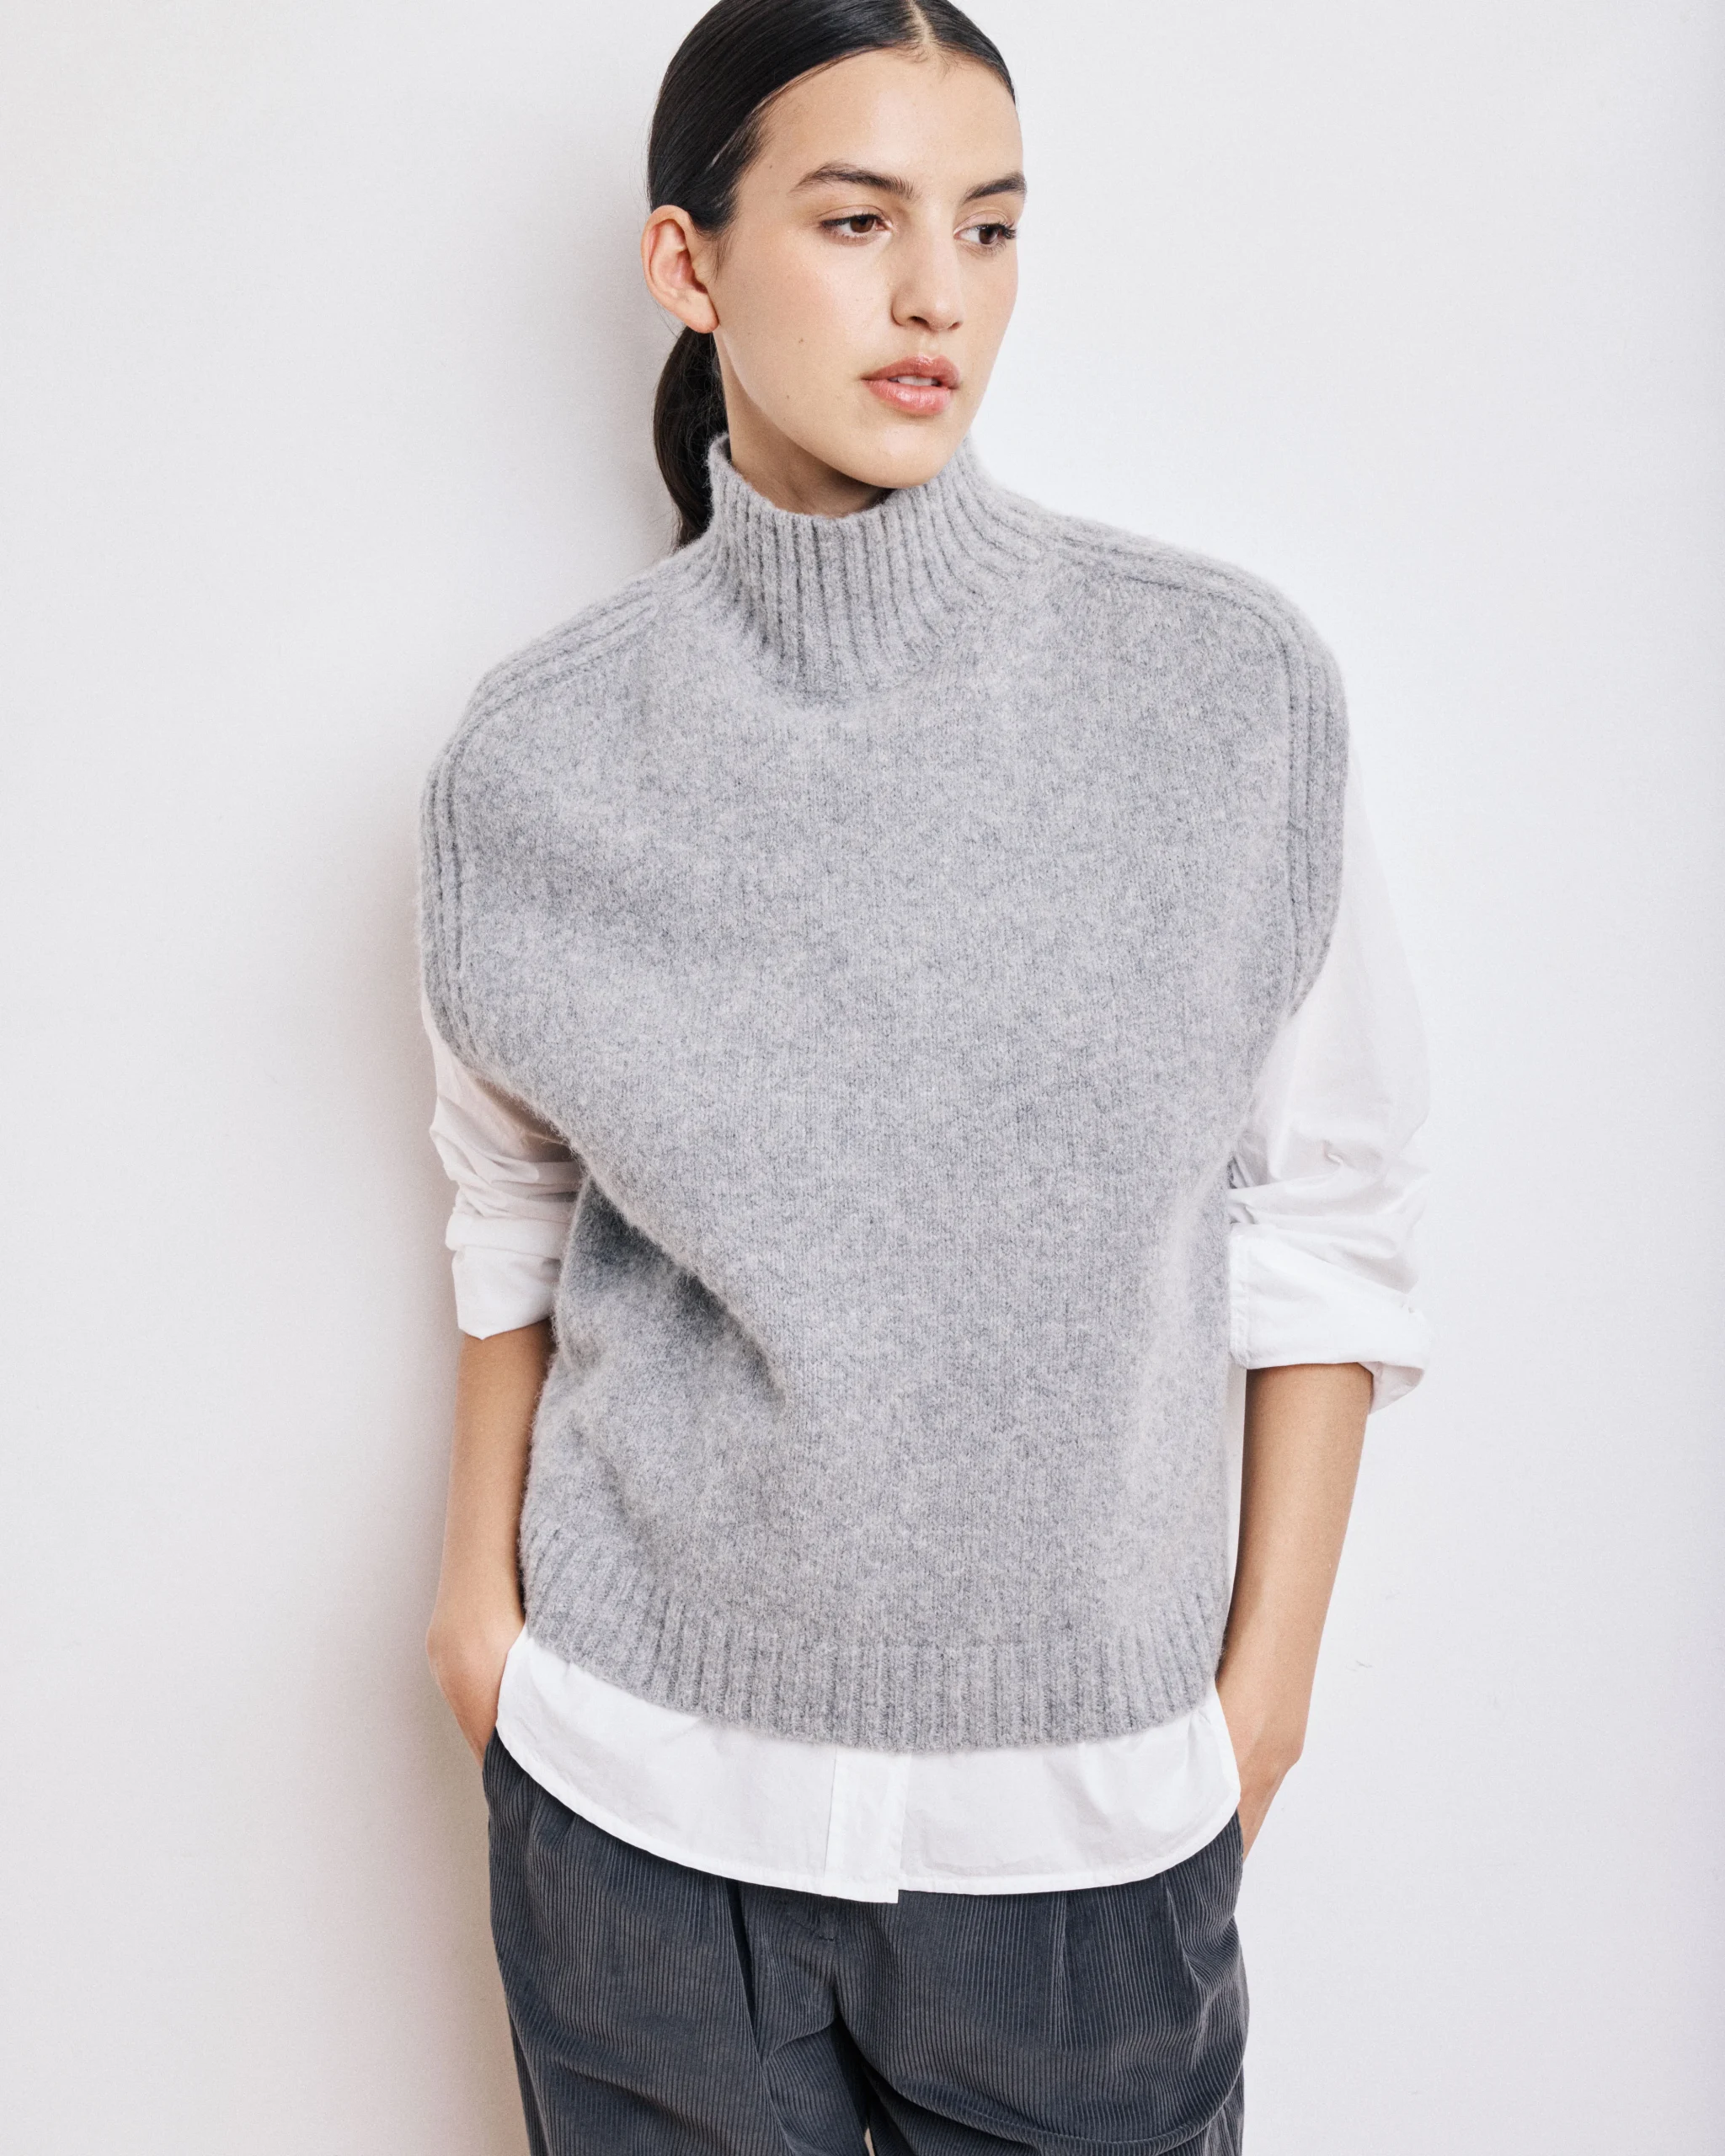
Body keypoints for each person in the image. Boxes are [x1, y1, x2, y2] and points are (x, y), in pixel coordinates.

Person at [417, 2, 1430, 2149]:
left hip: (1087, 1841)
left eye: (987, 225)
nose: (935, 296)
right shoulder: (533, 759)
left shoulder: (1224, 695)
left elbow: (1325, 1213)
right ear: (688, 263)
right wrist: (474, 1616)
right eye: (857, 219)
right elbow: (513, 1199)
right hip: (635, 1816)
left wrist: (1257, 1705)